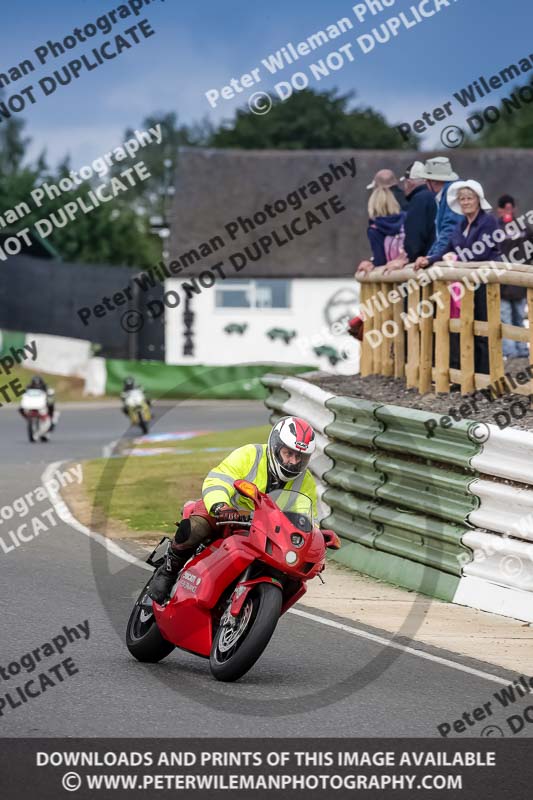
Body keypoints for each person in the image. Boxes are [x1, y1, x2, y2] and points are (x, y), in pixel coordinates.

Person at [148, 416, 318, 604]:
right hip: (229, 512)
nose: (293, 462)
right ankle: (168, 571)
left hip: (265, 530)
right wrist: (220, 506)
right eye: (288, 453)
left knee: (289, 573)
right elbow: (219, 479)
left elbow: (305, 519)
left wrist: (314, 541)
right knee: (196, 527)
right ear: (275, 446)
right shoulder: (250, 454)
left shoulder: (305, 481)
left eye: (299, 457)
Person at [444, 180, 501, 374]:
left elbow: (483, 252)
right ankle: (467, 373)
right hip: (466, 283)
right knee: (466, 327)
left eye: (469, 198)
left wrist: (457, 257)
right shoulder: (460, 224)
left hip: (485, 282)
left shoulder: (488, 221)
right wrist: (428, 259)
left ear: (478, 200)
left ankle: (486, 374)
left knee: (484, 328)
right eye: (462, 199)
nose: (466, 202)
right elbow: (449, 247)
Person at [383, 161, 437, 273]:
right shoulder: (435, 196)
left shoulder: (419, 199)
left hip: (423, 267)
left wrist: (408, 258)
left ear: (409, 182)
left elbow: (415, 235)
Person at [414, 157, 463, 271]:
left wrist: (432, 257)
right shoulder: (450, 192)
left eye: (427, 180)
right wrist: (431, 256)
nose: (425, 183)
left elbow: (449, 230)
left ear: (434, 181)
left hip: (459, 262)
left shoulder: (452, 194)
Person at [496, 195, 530, 359]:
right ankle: (510, 352)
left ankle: (522, 350)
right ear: (499, 210)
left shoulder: (525, 228)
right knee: (505, 318)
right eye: (505, 209)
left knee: (518, 318)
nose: (508, 212)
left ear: (515, 209)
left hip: (520, 283)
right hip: (501, 283)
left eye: (511, 208)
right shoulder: (494, 229)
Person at [356, 186, 406, 275]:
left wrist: (371, 264)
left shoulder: (375, 230)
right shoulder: (407, 220)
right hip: (407, 268)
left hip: (391, 275)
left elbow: (380, 260)